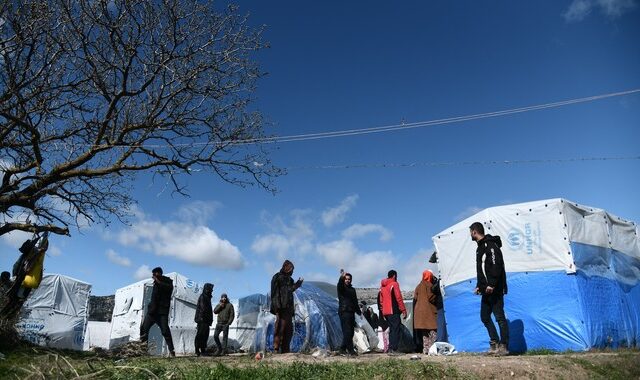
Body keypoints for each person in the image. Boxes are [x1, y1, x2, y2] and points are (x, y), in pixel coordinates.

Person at [470, 222, 509, 356]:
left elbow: (495, 265)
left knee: (499, 317)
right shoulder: (479, 248)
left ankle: (503, 346)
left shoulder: (490, 245)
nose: (470, 234)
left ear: (474, 232)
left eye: (471, 232)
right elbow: (482, 270)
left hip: (495, 289)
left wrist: (491, 284)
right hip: (486, 290)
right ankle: (494, 344)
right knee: (484, 316)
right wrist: (479, 286)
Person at [140, 267, 176, 357]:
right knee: (144, 329)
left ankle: (172, 351)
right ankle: (143, 351)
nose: (153, 276)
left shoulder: (168, 281)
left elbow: (169, 288)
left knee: (165, 331)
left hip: (161, 312)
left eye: (154, 274)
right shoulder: (155, 283)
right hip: (152, 312)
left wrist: (158, 281)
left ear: (159, 273)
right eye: (152, 275)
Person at [270, 259, 303, 353]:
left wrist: (297, 285)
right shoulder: (278, 277)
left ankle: (285, 349)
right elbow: (277, 292)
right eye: (291, 269)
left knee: (288, 329)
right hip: (281, 306)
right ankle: (276, 348)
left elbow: (289, 290)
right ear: (286, 268)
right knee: (280, 327)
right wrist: (277, 307)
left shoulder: (289, 279)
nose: (292, 272)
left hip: (288, 307)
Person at [377, 269, 407, 356]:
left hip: (386, 312)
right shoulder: (394, 284)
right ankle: (394, 349)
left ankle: (390, 348)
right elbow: (398, 298)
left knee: (391, 329)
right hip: (393, 311)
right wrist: (403, 310)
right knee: (395, 329)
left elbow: (381, 301)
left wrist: (382, 312)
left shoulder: (382, 287)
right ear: (394, 275)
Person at [413, 270, 438, 354]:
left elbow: (415, 297)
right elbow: (431, 298)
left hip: (419, 313)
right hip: (429, 312)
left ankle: (425, 349)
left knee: (424, 333)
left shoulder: (418, 286)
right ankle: (432, 349)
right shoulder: (430, 285)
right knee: (433, 331)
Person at [337, 269, 361, 356]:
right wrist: (341, 277)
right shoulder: (342, 288)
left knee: (351, 332)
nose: (347, 280)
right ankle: (351, 351)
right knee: (347, 331)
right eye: (346, 279)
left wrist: (359, 312)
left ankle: (342, 349)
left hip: (351, 312)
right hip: (344, 312)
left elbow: (355, 301)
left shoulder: (352, 290)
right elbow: (340, 285)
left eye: (349, 279)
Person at [194, 283, 214, 356]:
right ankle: (197, 350)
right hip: (202, 319)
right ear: (207, 289)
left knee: (205, 335)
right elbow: (203, 309)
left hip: (205, 320)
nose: (212, 290)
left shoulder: (207, 297)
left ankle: (202, 350)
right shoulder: (203, 297)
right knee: (200, 335)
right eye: (211, 289)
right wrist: (203, 318)